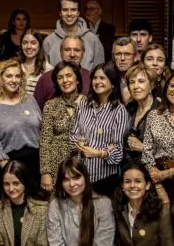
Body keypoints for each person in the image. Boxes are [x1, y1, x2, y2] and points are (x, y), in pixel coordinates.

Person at [69, 62, 131, 197]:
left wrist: (100, 153)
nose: (97, 82)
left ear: (112, 83)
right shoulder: (84, 104)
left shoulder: (119, 110)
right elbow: (73, 135)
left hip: (105, 178)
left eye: (102, 78)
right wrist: (78, 144)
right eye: (95, 78)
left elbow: (118, 150)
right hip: (81, 174)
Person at [0, 60, 42, 188]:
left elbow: (42, 131)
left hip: (37, 164)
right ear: (1, 79)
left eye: (17, 76)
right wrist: (11, 172)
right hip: (11, 167)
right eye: (9, 76)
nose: (14, 80)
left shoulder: (30, 100)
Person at [39, 62, 84, 193]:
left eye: (69, 75)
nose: (65, 80)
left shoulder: (88, 103)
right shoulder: (50, 105)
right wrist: (45, 172)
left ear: (77, 79)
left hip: (81, 163)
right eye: (60, 77)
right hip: (56, 165)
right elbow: (45, 141)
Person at [43, 0, 105, 70]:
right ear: (60, 13)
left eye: (73, 10)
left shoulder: (93, 40)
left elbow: (100, 71)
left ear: (78, 13)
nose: (69, 14)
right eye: (65, 10)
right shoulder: (48, 41)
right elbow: (45, 73)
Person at [32, 35, 92, 108]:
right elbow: (35, 109)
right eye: (67, 50)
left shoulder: (91, 78)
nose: (72, 54)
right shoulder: (45, 79)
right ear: (60, 52)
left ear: (83, 52)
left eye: (77, 50)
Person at [124, 64, 159, 164]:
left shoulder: (160, 110)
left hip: (153, 168)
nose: (135, 86)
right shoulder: (129, 108)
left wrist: (143, 148)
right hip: (128, 166)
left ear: (151, 85)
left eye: (141, 81)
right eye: (132, 82)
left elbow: (171, 150)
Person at [19, 29, 53, 96]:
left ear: (39, 45)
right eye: (25, 43)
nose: (29, 46)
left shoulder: (48, 70)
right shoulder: (15, 66)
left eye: (33, 43)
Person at [111, 37, 137, 103]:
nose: (122, 58)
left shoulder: (142, 78)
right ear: (113, 57)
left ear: (135, 57)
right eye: (118, 54)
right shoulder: (108, 78)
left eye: (127, 54)